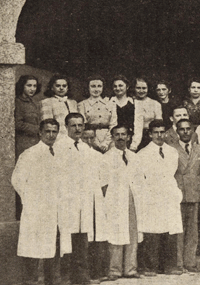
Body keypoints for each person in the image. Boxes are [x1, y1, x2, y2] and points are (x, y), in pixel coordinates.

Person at [12, 119, 62, 285]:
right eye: (47, 131)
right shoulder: (30, 154)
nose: (51, 135)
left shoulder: (59, 153)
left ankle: (51, 280)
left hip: (54, 208)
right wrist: (32, 200)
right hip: (36, 207)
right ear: (40, 133)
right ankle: (32, 280)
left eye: (54, 131)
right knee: (33, 245)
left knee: (53, 245)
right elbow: (17, 180)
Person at [55, 113, 100, 285]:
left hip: (83, 202)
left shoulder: (85, 148)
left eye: (80, 125)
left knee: (82, 239)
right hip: (66, 202)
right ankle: (64, 278)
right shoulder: (60, 147)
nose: (78, 129)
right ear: (66, 127)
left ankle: (81, 277)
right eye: (73, 126)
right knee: (65, 240)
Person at [135, 120, 184, 276]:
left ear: (166, 133)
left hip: (168, 195)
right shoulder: (142, 154)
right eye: (156, 132)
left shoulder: (172, 152)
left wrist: (176, 193)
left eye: (162, 132)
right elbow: (139, 179)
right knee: (152, 232)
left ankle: (169, 266)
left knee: (170, 231)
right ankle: (150, 267)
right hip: (151, 196)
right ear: (150, 134)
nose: (159, 135)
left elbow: (174, 173)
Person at [103, 126, 140, 280]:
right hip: (115, 199)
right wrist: (109, 201)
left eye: (123, 134)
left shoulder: (134, 156)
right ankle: (114, 270)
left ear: (128, 137)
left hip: (132, 198)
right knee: (115, 234)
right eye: (116, 135)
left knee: (132, 234)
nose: (120, 137)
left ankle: (130, 269)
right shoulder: (106, 157)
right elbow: (103, 183)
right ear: (112, 137)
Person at [171, 119, 200, 272]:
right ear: (177, 131)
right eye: (182, 129)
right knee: (179, 230)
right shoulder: (171, 149)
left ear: (192, 131)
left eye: (188, 129)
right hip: (177, 193)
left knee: (192, 230)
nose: (185, 132)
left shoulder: (199, 149)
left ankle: (190, 261)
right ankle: (178, 262)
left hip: (194, 193)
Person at [80, 125, 109, 282]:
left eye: (92, 138)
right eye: (86, 138)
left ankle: (97, 272)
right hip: (80, 202)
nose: (89, 141)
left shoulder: (99, 156)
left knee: (97, 238)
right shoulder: (74, 155)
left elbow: (104, 183)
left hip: (95, 200)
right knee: (84, 238)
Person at [78, 75, 117, 153]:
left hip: (109, 140)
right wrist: (96, 144)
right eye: (93, 86)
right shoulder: (82, 105)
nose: (96, 89)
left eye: (99, 86)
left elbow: (113, 124)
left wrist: (106, 143)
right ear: (88, 88)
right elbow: (84, 125)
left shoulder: (111, 104)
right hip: (90, 140)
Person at [131, 77, 162, 152]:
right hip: (131, 136)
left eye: (144, 88)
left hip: (149, 137)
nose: (141, 91)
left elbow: (158, 124)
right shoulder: (130, 102)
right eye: (138, 88)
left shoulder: (155, 104)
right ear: (134, 88)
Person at [15, 75, 42, 158]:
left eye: (35, 86)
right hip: (23, 142)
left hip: (36, 141)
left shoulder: (35, 103)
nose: (32, 89)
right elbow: (18, 124)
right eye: (29, 85)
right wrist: (38, 129)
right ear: (22, 86)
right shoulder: (18, 102)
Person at [109, 75, 135, 142]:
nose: (117, 88)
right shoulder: (109, 102)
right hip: (114, 138)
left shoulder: (133, 102)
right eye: (115, 86)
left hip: (130, 138)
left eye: (120, 86)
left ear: (127, 87)